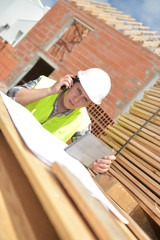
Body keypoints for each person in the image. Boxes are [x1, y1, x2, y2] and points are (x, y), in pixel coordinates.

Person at [6, 68, 116, 173]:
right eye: (78, 91)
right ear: (72, 81)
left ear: (89, 104)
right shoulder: (44, 83)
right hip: (5, 135)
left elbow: (87, 157)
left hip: (27, 162)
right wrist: (50, 91)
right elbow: (9, 96)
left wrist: (99, 163)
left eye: (85, 99)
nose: (77, 99)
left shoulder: (82, 123)